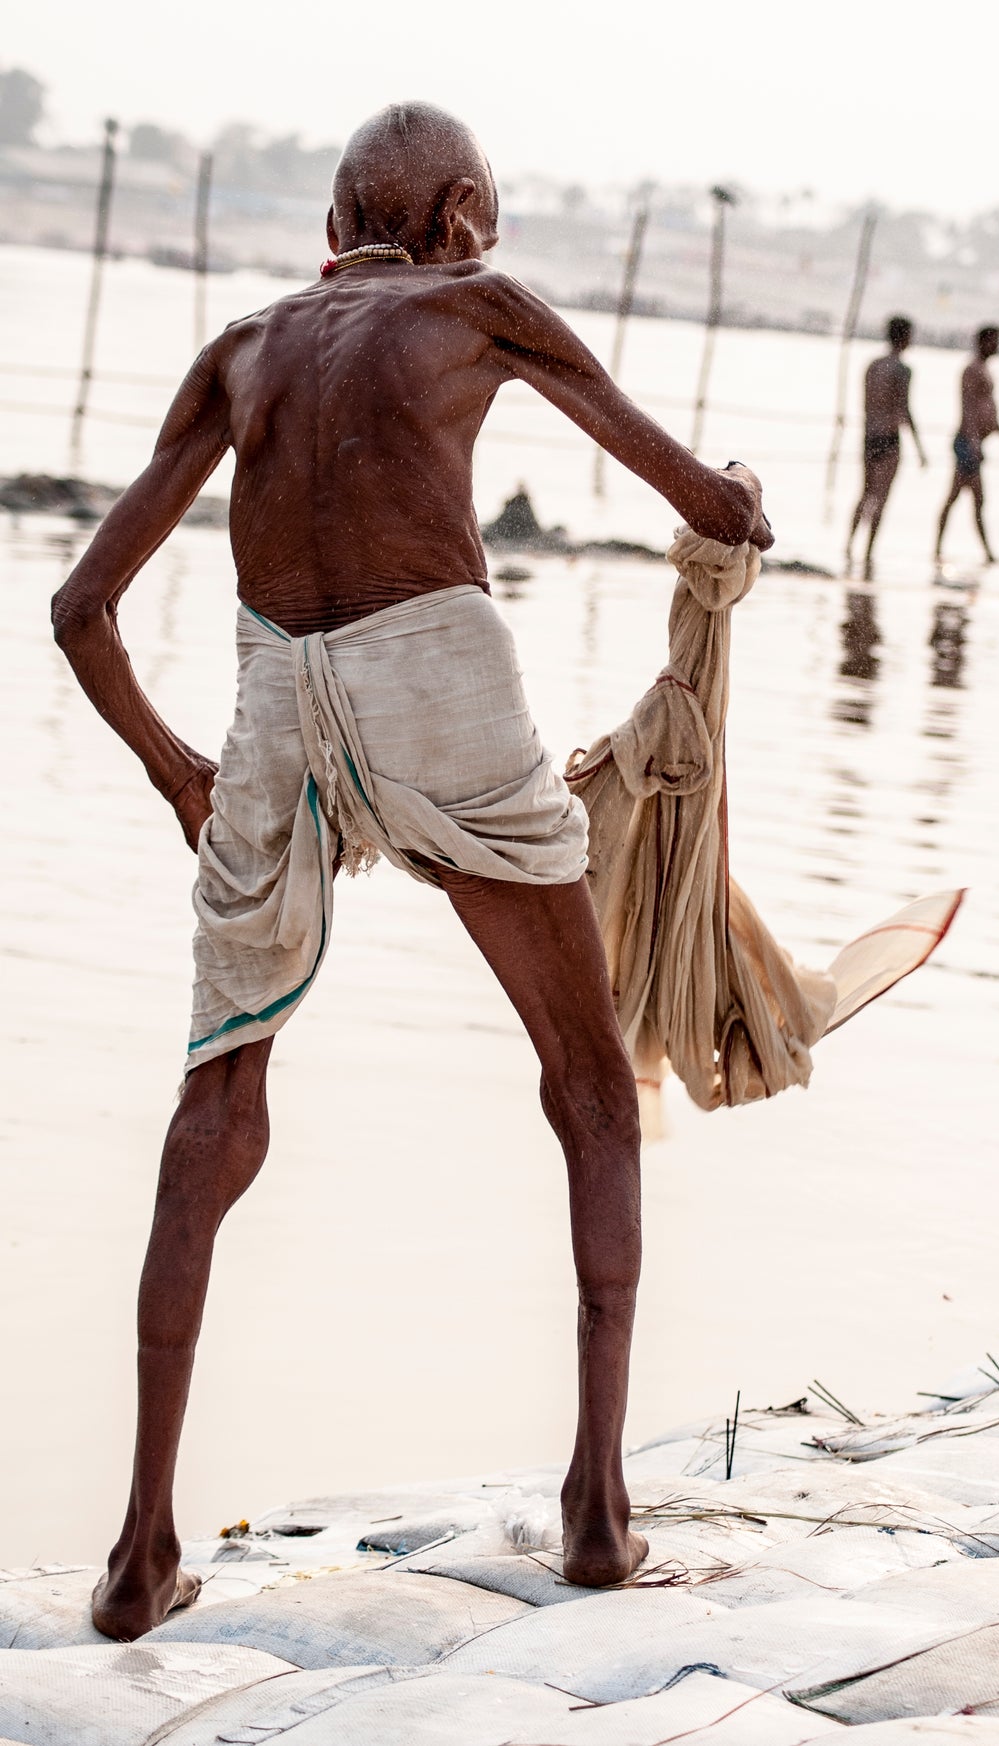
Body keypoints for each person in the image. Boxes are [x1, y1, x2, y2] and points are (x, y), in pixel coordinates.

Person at [50, 102, 772, 1641]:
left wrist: (182, 772)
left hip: (267, 700)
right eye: (487, 216)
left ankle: (134, 1550)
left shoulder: (244, 343)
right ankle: (597, 1508)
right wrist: (736, 512)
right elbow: (697, 500)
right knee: (588, 1082)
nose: (488, 240)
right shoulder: (478, 306)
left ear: (337, 219)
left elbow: (79, 608)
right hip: (434, 664)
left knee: (215, 1108)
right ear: (453, 213)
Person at [845, 315, 926, 579]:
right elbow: (904, 409)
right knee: (881, 497)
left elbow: (866, 403)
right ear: (904, 337)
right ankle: (868, 552)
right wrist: (919, 448)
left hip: (869, 436)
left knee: (865, 493)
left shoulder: (872, 366)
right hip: (889, 439)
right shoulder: (902, 370)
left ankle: (848, 547)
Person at [935, 325, 999, 565]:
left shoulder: (983, 370)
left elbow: (990, 411)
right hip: (967, 444)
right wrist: (973, 443)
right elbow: (968, 408)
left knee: (971, 500)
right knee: (961, 499)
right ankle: (951, 551)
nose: (997, 346)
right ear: (983, 342)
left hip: (975, 443)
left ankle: (982, 553)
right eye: (994, 341)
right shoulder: (972, 370)